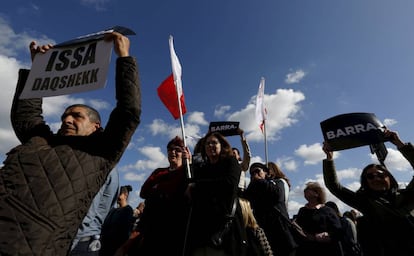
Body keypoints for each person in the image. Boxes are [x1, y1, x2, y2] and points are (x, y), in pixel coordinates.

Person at [0, 32, 141, 255]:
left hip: (31, 246)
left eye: (77, 116)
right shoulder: (40, 140)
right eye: (65, 115)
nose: (66, 119)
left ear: (96, 126)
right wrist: (37, 70)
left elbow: (128, 112)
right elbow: (26, 114)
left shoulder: (101, 153)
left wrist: (124, 57)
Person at [323, 128, 414, 256]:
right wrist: (329, 159)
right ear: (366, 182)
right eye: (370, 176)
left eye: (381, 175)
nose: (376, 178)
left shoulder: (408, 195)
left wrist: (400, 144)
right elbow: (334, 187)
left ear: (389, 177)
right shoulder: (365, 202)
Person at [187, 131, 247, 256]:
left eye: (214, 142)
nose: (210, 146)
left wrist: (199, 185)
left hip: (223, 229)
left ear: (222, 145)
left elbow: (229, 184)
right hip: (202, 229)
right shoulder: (203, 168)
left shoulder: (231, 162)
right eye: (207, 144)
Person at [136, 136, 191, 255]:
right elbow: (143, 192)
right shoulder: (159, 172)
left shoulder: (187, 172)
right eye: (170, 149)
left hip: (175, 231)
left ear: (184, 153)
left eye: (177, 149)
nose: (173, 152)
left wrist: (189, 166)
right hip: (152, 229)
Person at [245, 162, 297, 256]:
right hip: (265, 232)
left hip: (281, 231)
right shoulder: (255, 188)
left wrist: (260, 181)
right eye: (252, 173)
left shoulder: (278, 182)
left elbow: (278, 195)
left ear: (266, 172)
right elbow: (247, 201)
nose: (255, 175)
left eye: (257, 171)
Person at [70, 170, 120, 256]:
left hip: (80, 240)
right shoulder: (114, 173)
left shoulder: (103, 169)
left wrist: (71, 244)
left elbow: (88, 215)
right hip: (89, 240)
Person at [294, 182, 343, 256]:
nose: (306, 192)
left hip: (325, 250)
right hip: (306, 250)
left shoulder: (328, 210)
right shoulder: (302, 211)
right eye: (305, 191)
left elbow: (338, 231)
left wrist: (326, 235)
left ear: (317, 193)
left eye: (309, 190)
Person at [99, 185, 135, 256]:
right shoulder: (113, 210)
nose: (117, 196)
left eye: (119, 194)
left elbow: (123, 232)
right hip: (104, 246)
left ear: (125, 195)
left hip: (114, 248)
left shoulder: (127, 210)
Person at [232, 128, 251, 193]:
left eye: (234, 153)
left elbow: (247, 155)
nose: (232, 155)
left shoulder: (241, 165)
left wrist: (242, 137)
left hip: (239, 191)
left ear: (238, 156)